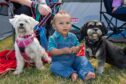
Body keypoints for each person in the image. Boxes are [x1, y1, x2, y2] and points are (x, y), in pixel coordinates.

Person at [48, 11, 96, 81]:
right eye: (61, 23)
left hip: (74, 59)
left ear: (71, 25)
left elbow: (78, 48)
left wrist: (77, 48)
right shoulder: (53, 38)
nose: (65, 25)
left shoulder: (72, 36)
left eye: (67, 23)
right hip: (61, 62)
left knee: (83, 59)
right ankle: (71, 73)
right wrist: (62, 51)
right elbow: (51, 51)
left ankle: (86, 73)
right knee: (54, 67)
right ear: (54, 26)